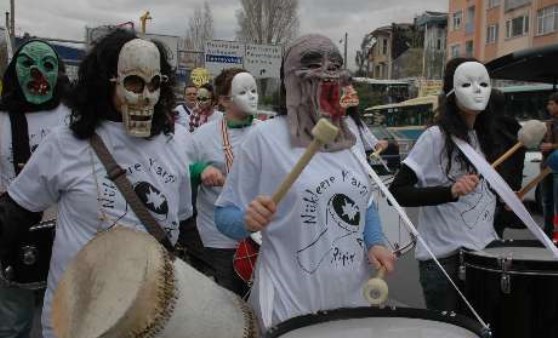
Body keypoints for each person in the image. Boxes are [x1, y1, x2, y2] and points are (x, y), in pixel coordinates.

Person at [0, 29, 193, 338]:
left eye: (154, 84)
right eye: (133, 83)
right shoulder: (66, 143)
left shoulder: (172, 146)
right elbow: (16, 213)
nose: (145, 96)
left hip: (151, 321)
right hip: (79, 322)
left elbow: (183, 222)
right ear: (107, 82)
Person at [214, 34, 395, 329]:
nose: (326, 76)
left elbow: (365, 204)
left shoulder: (350, 134)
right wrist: (247, 221)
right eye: (313, 66)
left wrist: (375, 242)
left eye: (335, 67)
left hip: (354, 300)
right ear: (290, 80)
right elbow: (224, 216)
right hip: (290, 303)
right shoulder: (265, 138)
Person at [389, 58, 499, 313]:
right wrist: (449, 191)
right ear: (452, 91)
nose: (477, 90)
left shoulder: (482, 137)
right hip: (444, 261)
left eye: (483, 83)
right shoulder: (435, 137)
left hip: (484, 255)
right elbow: (397, 192)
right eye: (468, 83)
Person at [0, 39, 70, 338]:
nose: (38, 74)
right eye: (28, 64)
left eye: (47, 65)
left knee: (58, 320)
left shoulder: (74, 117)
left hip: (64, 233)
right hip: (10, 231)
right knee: (12, 322)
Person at [188, 67, 258, 297]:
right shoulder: (203, 136)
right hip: (219, 240)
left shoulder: (266, 133)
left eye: (253, 90)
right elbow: (178, 170)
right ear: (224, 101)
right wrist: (199, 169)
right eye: (243, 91)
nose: (251, 96)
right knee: (231, 306)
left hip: (261, 239)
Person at [540, 93, 558, 240]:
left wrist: (552, 146)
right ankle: (547, 231)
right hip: (546, 166)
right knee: (546, 200)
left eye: (551, 103)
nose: (548, 107)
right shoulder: (547, 123)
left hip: (557, 168)